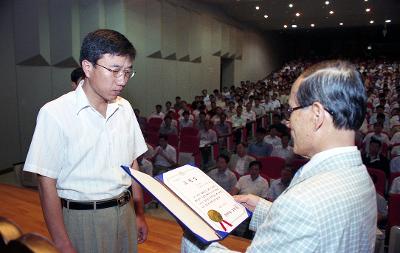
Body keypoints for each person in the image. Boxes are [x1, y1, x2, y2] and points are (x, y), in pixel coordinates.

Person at [182, 60, 376, 252]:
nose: (287, 121)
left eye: (291, 110)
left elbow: (304, 215)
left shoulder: (303, 202)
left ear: (317, 115)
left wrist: (196, 237)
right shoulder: (361, 179)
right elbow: (316, 230)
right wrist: (266, 210)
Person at [24, 29, 148, 253]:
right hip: (84, 219)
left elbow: (133, 165)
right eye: (115, 70)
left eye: (128, 72)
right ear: (88, 67)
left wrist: (138, 213)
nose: (122, 80)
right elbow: (45, 182)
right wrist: (61, 242)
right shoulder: (55, 113)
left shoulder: (125, 107)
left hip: (125, 210)